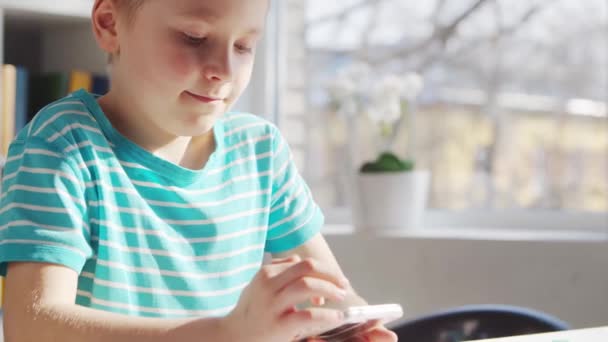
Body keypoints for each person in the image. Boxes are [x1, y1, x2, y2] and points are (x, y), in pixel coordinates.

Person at [0, 0, 398, 341]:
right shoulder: (60, 145)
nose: (224, 69)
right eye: (194, 37)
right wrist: (225, 334)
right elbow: (32, 325)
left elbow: (330, 291)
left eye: (244, 45)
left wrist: (350, 324)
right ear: (110, 24)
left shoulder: (260, 150)